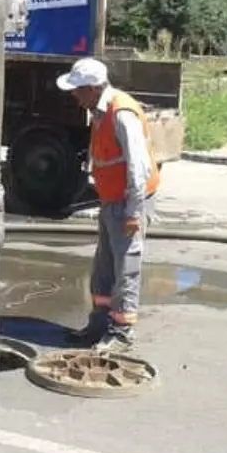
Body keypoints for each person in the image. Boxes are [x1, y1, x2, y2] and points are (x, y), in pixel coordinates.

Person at [56, 57, 160, 353]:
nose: (74, 95)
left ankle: (122, 332)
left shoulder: (121, 112)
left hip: (129, 200)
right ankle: (99, 325)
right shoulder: (100, 109)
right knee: (104, 266)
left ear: (93, 88)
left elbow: (138, 168)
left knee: (126, 266)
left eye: (77, 89)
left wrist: (133, 213)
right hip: (112, 199)